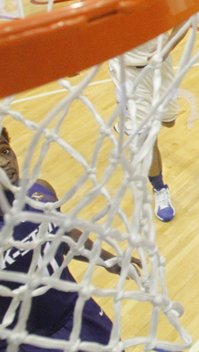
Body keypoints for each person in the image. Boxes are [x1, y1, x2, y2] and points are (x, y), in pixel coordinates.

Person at [0, 127, 132, 346]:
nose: (4, 162)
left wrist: (106, 259)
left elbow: (65, 235)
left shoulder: (40, 191)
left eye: (5, 151)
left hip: (76, 312)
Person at [82, 0, 177, 221]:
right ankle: (160, 188)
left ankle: (128, 114)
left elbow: (184, 16)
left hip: (159, 65)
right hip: (126, 73)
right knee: (148, 136)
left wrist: (166, 45)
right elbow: (81, 31)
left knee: (169, 121)